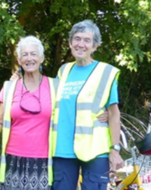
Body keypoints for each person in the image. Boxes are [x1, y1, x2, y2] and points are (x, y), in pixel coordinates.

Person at [0, 35, 108, 190]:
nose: (29, 58)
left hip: (45, 162)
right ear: (19, 60)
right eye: (24, 54)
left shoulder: (56, 86)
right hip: (14, 161)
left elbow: (78, 107)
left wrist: (107, 112)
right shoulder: (10, 87)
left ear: (42, 58)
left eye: (33, 54)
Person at [51, 19, 124, 190]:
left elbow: (114, 114)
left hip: (95, 151)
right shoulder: (63, 71)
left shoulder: (106, 72)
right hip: (63, 149)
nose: (81, 44)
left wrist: (115, 150)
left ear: (95, 46)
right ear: (70, 43)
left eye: (86, 40)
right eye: (77, 39)